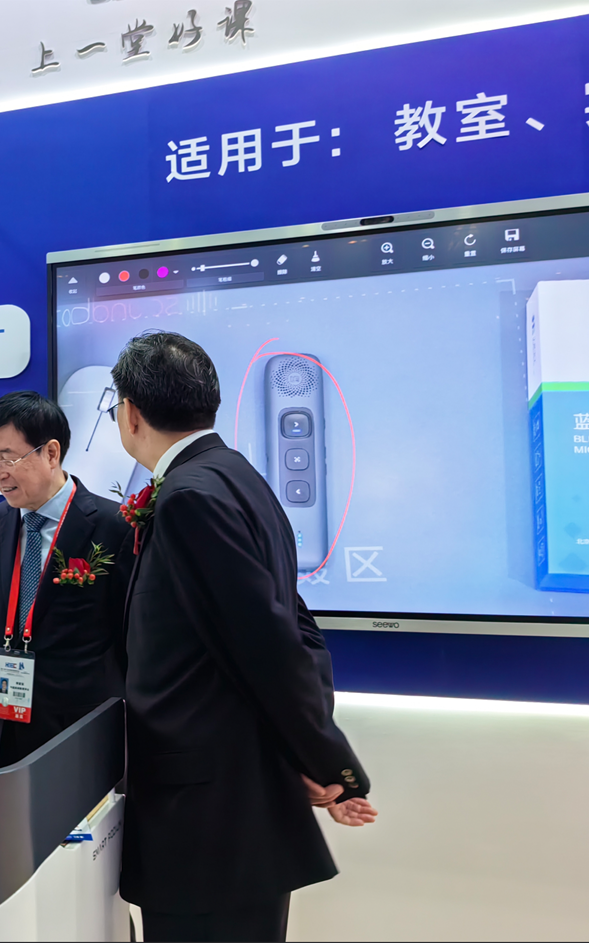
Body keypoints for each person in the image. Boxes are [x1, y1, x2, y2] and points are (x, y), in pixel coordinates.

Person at [110, 333, 377, 942]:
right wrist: (306, 755)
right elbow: (298, 626)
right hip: (237, 806)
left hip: (206, 818)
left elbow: (269, 643)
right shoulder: (241, 478)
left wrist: (328, 763)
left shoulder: (188, 498)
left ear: (131, 413)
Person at [0, 391, 134, 771]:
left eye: (8, 458)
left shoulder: (114, 526)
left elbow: (129, 639)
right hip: (3, 725)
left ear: (50, 453)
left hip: (79, 730)